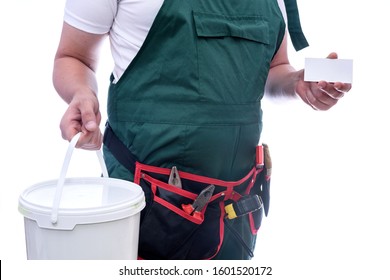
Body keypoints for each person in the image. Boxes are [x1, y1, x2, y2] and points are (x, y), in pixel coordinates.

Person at [53, 0, 352, 260]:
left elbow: (273, 68)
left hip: (234, 216)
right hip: (144, 210)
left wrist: (298, 83)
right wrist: (82, 93)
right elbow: (73, 57)